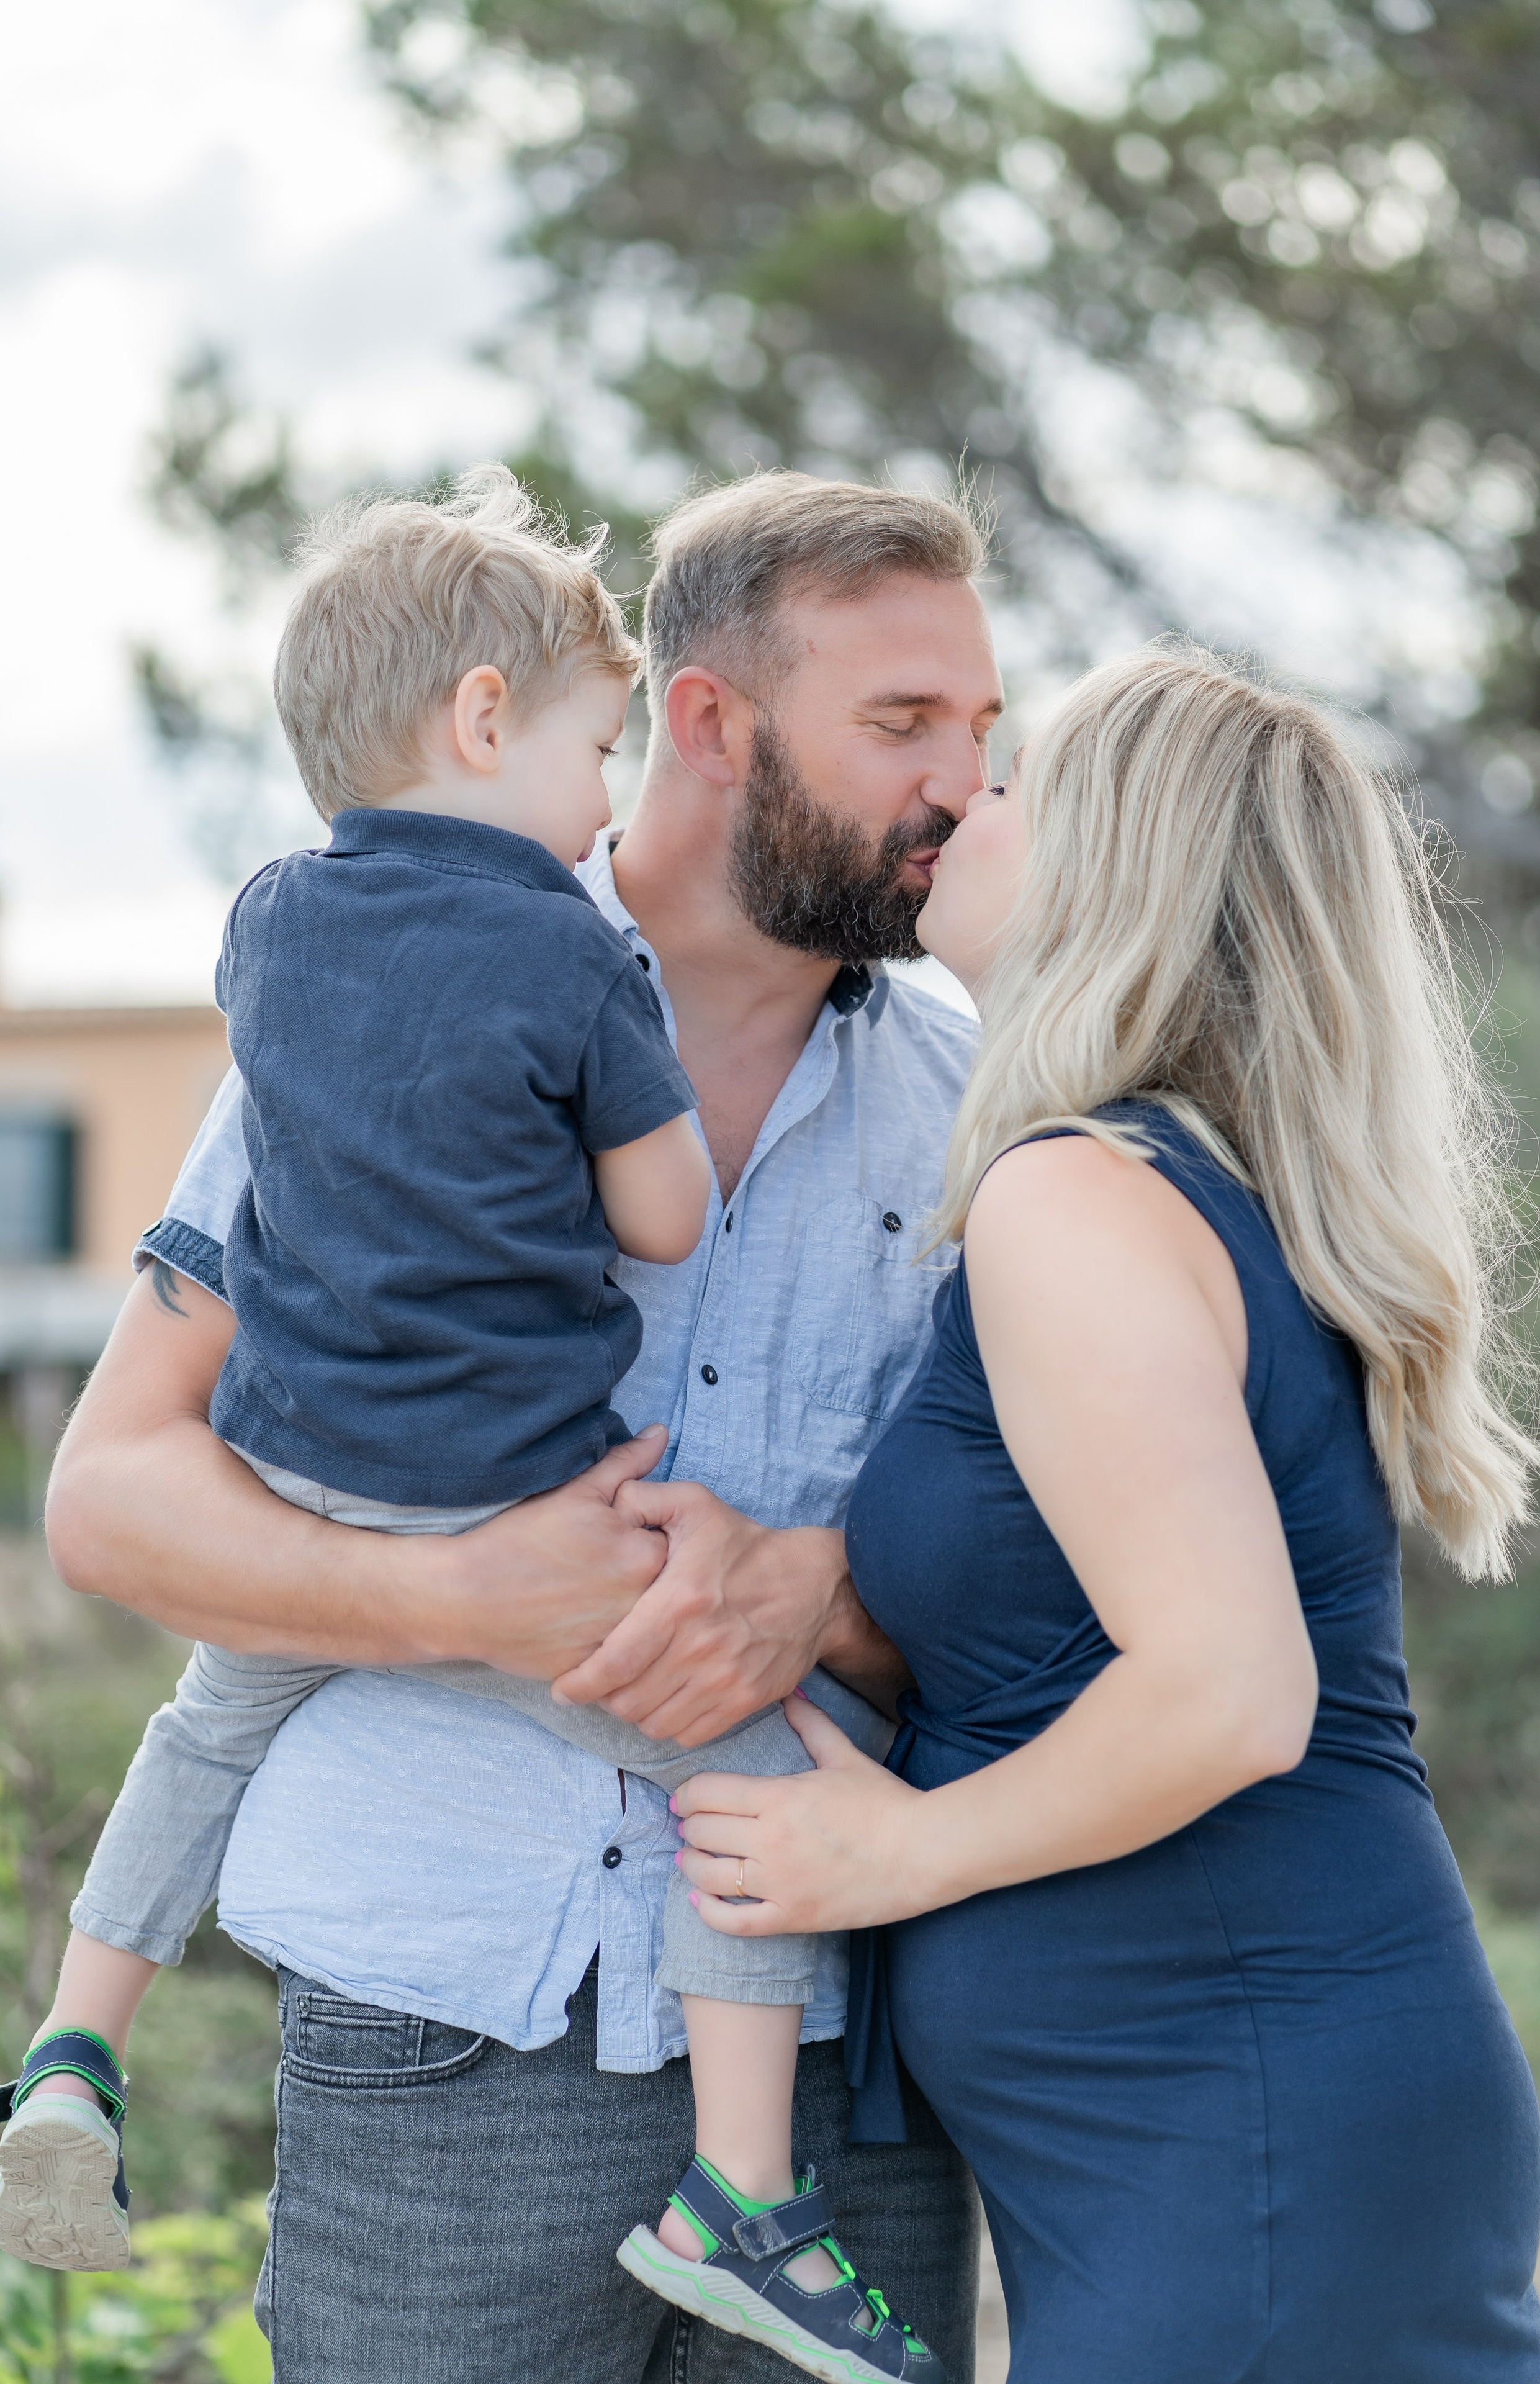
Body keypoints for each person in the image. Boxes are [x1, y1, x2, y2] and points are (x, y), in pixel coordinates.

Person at [38, 470, 1001, 2383]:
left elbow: (1054, 1588)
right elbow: (115, 1495)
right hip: (440, 2047)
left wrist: (815, 1596)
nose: (960, 784)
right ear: (709, 722)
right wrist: (469, 1596)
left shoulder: (984, 1095)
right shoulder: (377, 997)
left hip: (848, 2069)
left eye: (983, 730)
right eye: (902, 726)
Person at [671, 644, 1540, 2383]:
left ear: (1105, 868)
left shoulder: (1078, 1194)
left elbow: (1231, 1688)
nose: (958, 806)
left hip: (1243, 2126)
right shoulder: (1177, 1189)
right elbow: (1078, 1611)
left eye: (1012, 787)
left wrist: (903, 1852)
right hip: (1225, 2123)